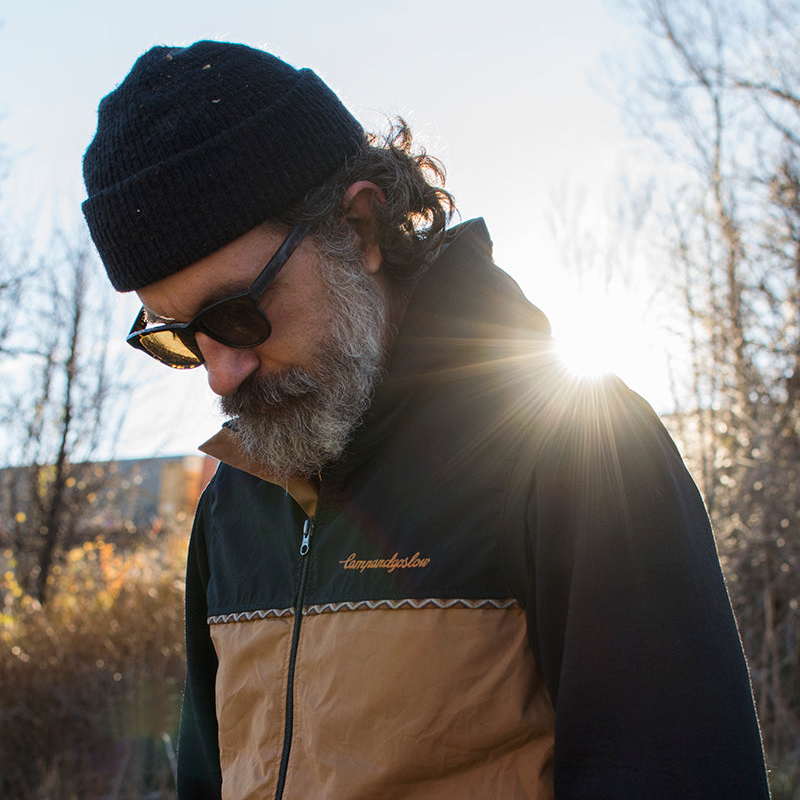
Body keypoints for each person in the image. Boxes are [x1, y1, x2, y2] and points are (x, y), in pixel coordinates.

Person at [81, 40, 770, 800]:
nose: (220, 375)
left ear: (363, 228)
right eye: (178, 336)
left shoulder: (576, 444)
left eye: (239, 313)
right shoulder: (232, 506)